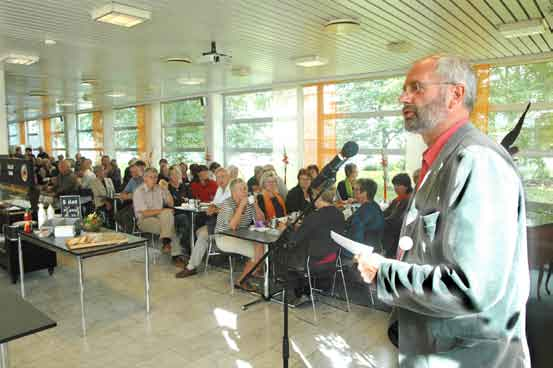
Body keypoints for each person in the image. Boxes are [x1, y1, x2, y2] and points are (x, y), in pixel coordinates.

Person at [356, 55, 530, 367]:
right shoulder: (441, 160)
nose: (403, 97)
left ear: (455, 94)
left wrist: (383, 272)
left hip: (468, 356)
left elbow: (470, 287)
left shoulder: (477, 160)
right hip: (433, 345)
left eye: (416, 88)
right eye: (404, 89)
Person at [277, 186, 345, 303]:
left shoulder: (314, 217)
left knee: (279, 252)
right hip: (333, 258)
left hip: (312, 261)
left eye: (312, 196)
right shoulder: (339, 214)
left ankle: (297, 291)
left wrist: (284, 229)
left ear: (317, 197)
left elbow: (294, 240)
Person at [175, 167, 232, 278]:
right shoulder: (220, 189)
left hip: (228, 222)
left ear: (229, 177)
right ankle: (200, 257)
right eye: (218, 177)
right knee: (198, 230)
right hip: (218, 220)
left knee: (201, 234)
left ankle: (191, 266)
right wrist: (212, 207)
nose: (220, 180)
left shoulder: (232, 190)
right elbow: (215, 203)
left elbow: (231, 210)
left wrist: (215, 209)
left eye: (223, 177)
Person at [212, 179, 265, 288]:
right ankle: (242, 281)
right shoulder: (227, 204)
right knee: (259, 253)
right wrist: (241, 206)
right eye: (242, 189)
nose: (246, 191)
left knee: (262, 247)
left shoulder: (249, 204)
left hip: (242, 236)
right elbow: (232, 226)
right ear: (233, 192)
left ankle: (252, 270)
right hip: (224, 237)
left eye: (246, 188)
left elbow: (261, 221)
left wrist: (255, 205)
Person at [133, 168, 181, 257]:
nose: (154, 180)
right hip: (144, 220)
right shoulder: (139, 191)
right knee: (170, 225)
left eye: (155, 177)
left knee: (168, 214)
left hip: (160, 217)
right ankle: (174, 254)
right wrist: (162, 210)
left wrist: (166, 190)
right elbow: (144, 213)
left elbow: (171, 203)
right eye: (151, 177)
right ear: (145, 178)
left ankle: (166, 243)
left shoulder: (160, 189)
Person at [347, 178, 384, 256]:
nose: (353, 192)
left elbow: (356, 237)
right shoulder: (374, 205)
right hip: (375, 247)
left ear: (365, 193)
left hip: (365, 253)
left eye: (356, 190)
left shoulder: (364, 212)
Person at [382, 173, 413, 258]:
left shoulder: (410, 200)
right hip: (392, 229)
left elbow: (397, 220)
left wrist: (383, 221)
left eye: (398, 185)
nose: (395, 188)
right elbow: (387, 212)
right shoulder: (398, 199)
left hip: (399, 234)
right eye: (394, 185)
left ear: (406, 186)